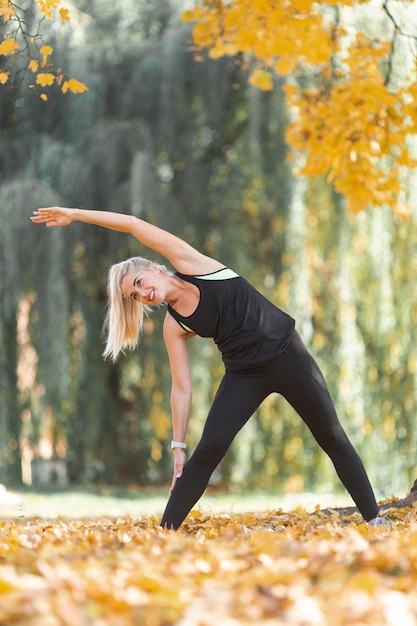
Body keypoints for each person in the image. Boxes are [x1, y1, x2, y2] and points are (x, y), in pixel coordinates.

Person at [31, 206, 389, 529]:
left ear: (154, 268)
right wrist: (177, 446)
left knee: (333, 437)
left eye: (140, 283)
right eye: (135, 296)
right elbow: (181, 387)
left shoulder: (193, 265)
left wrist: (74, 215)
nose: (143, 294)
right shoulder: (174, 325)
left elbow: (134, 224)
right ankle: (165, 534)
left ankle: (374, 519)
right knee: (209, 448)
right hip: (244, 374)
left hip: (286, 354)